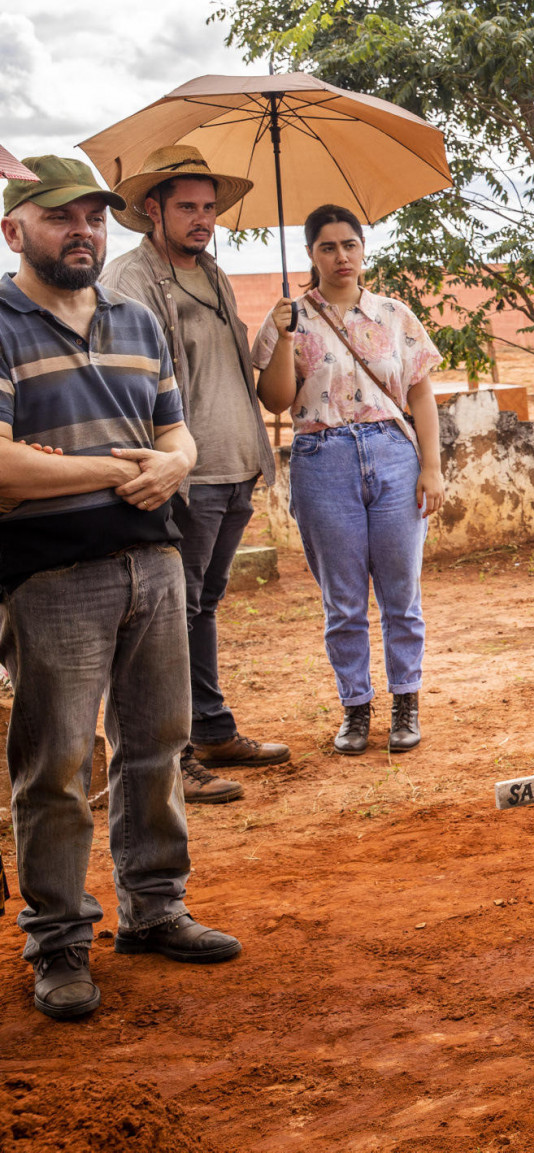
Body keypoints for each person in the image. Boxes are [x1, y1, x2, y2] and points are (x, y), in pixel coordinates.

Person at [1, 157, 241, 1022]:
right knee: (59, 765)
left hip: (155, 564)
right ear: (13, 229)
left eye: (95, 218)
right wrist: (123, 469)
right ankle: (59, 940)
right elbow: (2, 466)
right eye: (61, 217)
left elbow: (177, 436)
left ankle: (154, 907)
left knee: (158, 746)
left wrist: (169, 462)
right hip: (52, 576)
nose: (84, 232)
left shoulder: (137, 319)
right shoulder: (0, 322)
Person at [100, 146, 288, 804]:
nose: (202, 218)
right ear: (152, 208)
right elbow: (130, 385)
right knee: (170, 618)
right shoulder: (131, 279)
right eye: (187, 206)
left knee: (201, 608)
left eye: (210, 207)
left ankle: (210, 727)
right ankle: (172, 755)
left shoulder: (213, 273)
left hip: (237, 470)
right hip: (186, 478)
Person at [253, 205, 444, 755]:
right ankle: (355, 709)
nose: (341, 257)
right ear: (310, 254)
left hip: (392, 453)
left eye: (350, 245)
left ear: (363, 250)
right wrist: (286, 338)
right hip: (321, 456)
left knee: (401, 592)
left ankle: (406, 701)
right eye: (327, 247)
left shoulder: (393, 314)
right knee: (344, 601)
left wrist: (431, 466)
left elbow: (420, 393)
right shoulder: (289, 318)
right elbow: (275, 400)